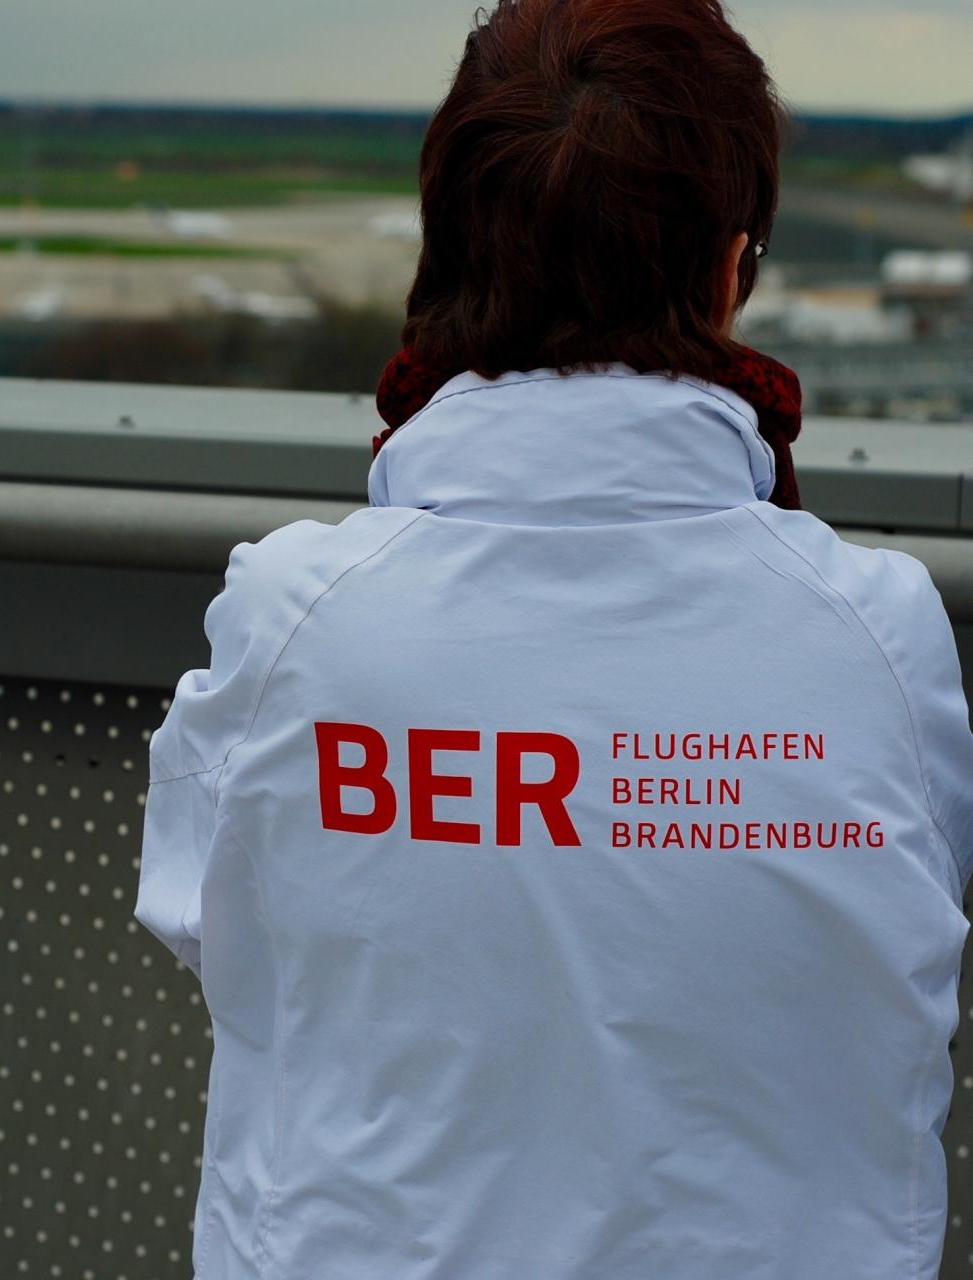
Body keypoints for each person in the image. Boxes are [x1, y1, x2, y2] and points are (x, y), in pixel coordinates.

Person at [132, 1, 973, 1276]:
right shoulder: (879, 635)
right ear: (725, 269)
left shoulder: (294, 616)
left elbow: (207, 914)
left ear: (453, 248)